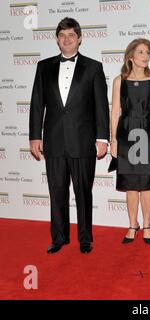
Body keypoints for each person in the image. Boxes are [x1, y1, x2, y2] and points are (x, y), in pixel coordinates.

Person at [29, 17, 109, 254]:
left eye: (71, 35)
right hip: (53, 141)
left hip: (83, 141)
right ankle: (59, 238)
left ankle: (85, 239)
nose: (66, 39)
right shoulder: (43, 67)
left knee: (83, 192)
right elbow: (36, 104)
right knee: (57, 192)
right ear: (56, 39)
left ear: (79, 38)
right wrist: (35, 136)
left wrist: (102, 138)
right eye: (62, 35)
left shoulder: (93, 67)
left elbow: (101, 106)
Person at [110, 38, 150, 245]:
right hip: (126, 134)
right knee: (131, 184)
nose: (145, 56)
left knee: (146, 184)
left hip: (148, 133)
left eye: (147, 52)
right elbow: (115, 112)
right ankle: (133, 224)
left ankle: (147, 225)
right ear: (131, 56)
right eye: (141, 52)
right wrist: (113, 140)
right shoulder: (119, 80)